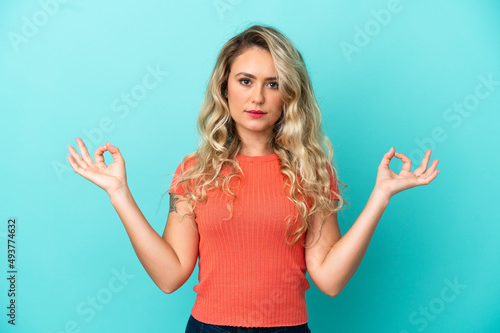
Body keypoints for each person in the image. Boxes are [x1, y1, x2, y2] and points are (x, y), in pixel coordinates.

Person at [67, 25, 440, 333]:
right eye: (245, 81)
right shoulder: (194, 170)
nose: (257, 97)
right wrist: (119, 194)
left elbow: (329, 279)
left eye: (273, 84)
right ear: (224, 87)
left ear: (289, 95)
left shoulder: (312, 171)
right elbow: (170, 275)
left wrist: (380, 197)